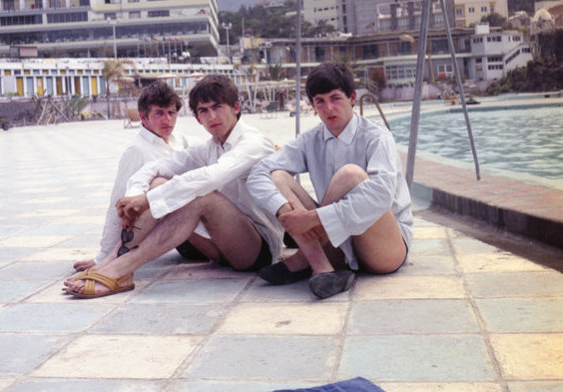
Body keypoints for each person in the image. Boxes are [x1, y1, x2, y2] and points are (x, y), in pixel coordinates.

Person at [64, 75, 283, 298]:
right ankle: (112, 261)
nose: (212, 116)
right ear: (197, 118)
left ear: (235, 107)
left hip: (256, 248)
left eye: (217, 107)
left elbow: (212, 176)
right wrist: (134, 197)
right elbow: (156, 167)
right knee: (160, 182)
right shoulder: (210, 146)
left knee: (201, 195)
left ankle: (121, 269)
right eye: (203, 111)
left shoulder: (254, 142)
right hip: (218, 248)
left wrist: (147, 200)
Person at [247, 62, 413, 299]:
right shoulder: (310, 140)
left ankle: (304, 257)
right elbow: (258, 173)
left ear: (352, 98)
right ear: (313, 106)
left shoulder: (377, 137)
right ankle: (321, 267)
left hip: (385, 249)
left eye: (336, 98)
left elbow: (381, 195)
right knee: (277, 176)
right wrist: (286, 211)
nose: (329, 108)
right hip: (338, 246)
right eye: (320, 101)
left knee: (350, 175)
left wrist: (312, 219)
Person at [71, 80, 194, 274]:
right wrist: (103, 256)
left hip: (194, 223)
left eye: (171, 113)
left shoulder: (181, 140)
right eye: (159, 113)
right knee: (159, 184)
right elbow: (118, 203)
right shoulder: (137, 151)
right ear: (144, 118)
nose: (167, 120)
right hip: (182, 235)